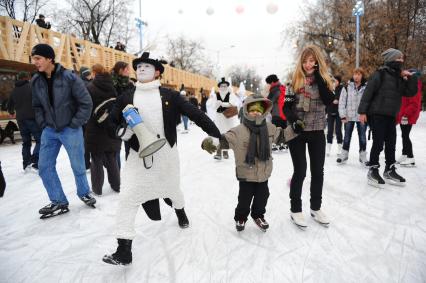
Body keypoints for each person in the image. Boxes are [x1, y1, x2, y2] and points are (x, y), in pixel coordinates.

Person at [102, 52, 221, 265]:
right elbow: (111, 122)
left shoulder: (170, 96)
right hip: (137, 158)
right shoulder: (126, 97)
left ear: (157, 71)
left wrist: (216, 133)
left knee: (173, 190)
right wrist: (122, 132)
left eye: (147, 66)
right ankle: (124, 250)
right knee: (128, 198)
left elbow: (195, 113)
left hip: (166, 156)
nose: (141, 69)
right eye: (138, 66)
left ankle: (180, 211)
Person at [202, 95, 292, 232]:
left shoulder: (269, 128)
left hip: (263, 173)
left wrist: (295, 129)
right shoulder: (238, 131)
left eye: (259, 110)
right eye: (252, 109)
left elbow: (282, 136)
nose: (256, 112)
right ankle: (241, 217)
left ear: (264, 112)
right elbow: (224, 140)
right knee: (244, 200)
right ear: (246, 111)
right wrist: (212, 143)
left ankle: (258, 215)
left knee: (263, 197)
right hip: (246, 173)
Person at [30, 43, 96, 217]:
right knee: (44, 167)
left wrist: (75, 123)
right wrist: (43, 123)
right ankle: (58, 201)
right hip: (49, 130)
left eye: (38, 58)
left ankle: (84, 193)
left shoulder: (69, 77)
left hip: (70, 129)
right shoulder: (36, 81)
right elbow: (36, 106)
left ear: (49, 58)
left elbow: (86, 103)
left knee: (77, 165)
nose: (35, 62)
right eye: (33, 58)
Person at [283, 45, 334, 229]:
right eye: (305, 61)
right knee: (301, 170)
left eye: (311, 60)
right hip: (298, 132)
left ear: (317, 61)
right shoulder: (294, 82)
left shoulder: (326, 81)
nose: (307, 64)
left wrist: (319, 76)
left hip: (318, 131)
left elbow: (329, 101)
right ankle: (295, 209)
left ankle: (316, 207)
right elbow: (286, 107)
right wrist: (294, 120)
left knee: (318, 171)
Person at [358, 48, 417, 187]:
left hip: (391, 115)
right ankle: (373, 169)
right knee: (378, 143)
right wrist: (362, 112)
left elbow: (409, 92)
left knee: (391, 144)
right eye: (399, 58)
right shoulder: (380, 74)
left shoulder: (399, 77)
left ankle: (389, 170)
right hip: (377, 114)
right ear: (391, 59)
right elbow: (368, 93)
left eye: (402, 58)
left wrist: (411, 78)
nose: (401, 61)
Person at [85, 64, 121, 195]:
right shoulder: (112, 86)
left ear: (94, 73)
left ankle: (97, 189)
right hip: (110, 127)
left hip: (95, 128)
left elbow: (87, 108)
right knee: (111, 158)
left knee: (96, 159)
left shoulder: (90, 87)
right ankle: (117, 185)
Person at [7, 71, 42, 172]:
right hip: (32, 118)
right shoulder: (32, 87)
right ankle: (34, 161)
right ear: (26, 78)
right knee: (40, 140)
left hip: (20, 120)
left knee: (26, 143)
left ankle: (26, 164)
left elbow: (9, 106)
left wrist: (12, 112)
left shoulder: (14, 90)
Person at [337, 68, 368, 164]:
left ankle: (363, 156)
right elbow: (341, 102)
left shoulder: (366, 87)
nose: (356, 76)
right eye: (355, 74)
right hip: (349, 116)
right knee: (346, 136)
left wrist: (367, 114)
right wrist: (342, 115)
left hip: (361, 116)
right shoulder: (347, 86)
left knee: (362, 137)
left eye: (358, 74)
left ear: (362, 76)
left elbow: (368, 102)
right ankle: (344, 155)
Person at [396, 70, 422, 167]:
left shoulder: (415, 86)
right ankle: (405, 154)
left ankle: (410, 157)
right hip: (404, 114)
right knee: (404, 135)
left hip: (408, 115)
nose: (405, 77)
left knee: (406, 135)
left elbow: (414, 104)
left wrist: (405, 115)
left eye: (408, 76)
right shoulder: (408, 85)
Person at [210, 77, 240, 160]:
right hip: (219, 118)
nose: (223, 87)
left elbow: (233, 103)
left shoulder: (230, 94)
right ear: (219, 87)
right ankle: (219, 152)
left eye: (225, 86)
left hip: (228, 118)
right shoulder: (216, 95)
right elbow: (213, 106)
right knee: (219, 134)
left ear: (227, 86)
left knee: (226, 135)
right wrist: (217, 104)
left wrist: (223, 104)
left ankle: (225, 151)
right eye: (222, 86)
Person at [265, 74, 287, 152]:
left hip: (276, 113)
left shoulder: (274, 89)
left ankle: (275, 144)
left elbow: (269, 101)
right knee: (283, 129)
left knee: (276, 129)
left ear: (271, 82)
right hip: (285, 113)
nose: (268, 85)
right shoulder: (283, 87)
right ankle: (284, 144)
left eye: (268, 83)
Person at [326, 75, 343, 156]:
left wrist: (337, 99)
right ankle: (328, 147)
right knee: (329, 130)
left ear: (339, 82)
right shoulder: (329, 89)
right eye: (333, 81)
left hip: (339, 112)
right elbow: (327, 100)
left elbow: (340, 99)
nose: (334, 83)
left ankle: (340, 147)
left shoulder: (341, 89)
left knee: (338, 130)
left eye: (335, 81)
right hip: (330, 112)